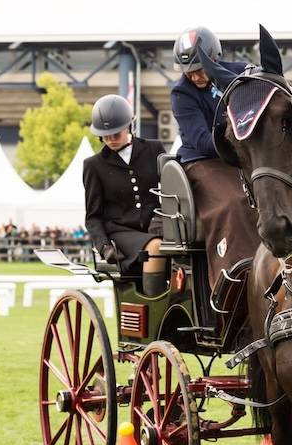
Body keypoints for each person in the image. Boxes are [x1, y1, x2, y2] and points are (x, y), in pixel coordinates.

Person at [170, 26, 261, 289]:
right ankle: (232, 281)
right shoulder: (181, 93)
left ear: (215, 59)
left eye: (201, 69)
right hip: (203, 162)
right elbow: (202, 141)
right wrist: (240, 137)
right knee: (235, 202)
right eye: (189, 71)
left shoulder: (241, 74)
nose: (195, 76)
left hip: (241, 159)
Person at [82, 94, 169, 296]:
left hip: (156, 225)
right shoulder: (93, 165)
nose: (111, 140)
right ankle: (154, 304)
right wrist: (104, 247)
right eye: (105, 136)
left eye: (116, 134)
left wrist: (162, 218)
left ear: (129, 126)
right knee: (156, 247)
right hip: (121, 232)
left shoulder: (154, 149)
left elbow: (170, 189)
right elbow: (93, 216)